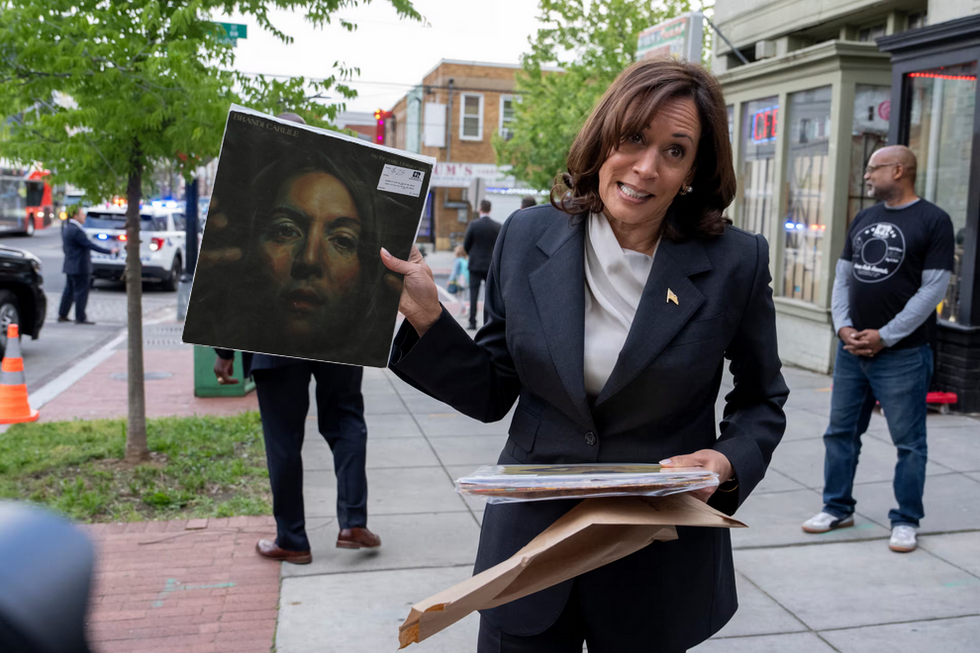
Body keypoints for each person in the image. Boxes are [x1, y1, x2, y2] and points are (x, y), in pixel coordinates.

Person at [381, 58, 788, 652]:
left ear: (694, 169)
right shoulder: (526, 236)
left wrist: (724, 462)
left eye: (674, 151)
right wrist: (427, 318)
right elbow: (494, 388)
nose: (646, 168)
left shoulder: (736, 263)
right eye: (633, 139)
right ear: (604, 139)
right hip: (528, 556)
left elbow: (762, 400)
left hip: (654, 563)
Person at [211, 113, 380, 565]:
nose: (309, 260)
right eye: (287, 231)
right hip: (318, 346)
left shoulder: (274, 184)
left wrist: (224, 353)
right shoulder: (257, 201)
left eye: (341, 239)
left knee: (284, 438)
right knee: (345, 421)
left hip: (296, 346)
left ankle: (293, 539)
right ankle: (352, 521)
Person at [802, 146, 954, 554]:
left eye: (874, 168)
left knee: (909, 443)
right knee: (840, 435)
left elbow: (933, 289)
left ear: (899, 170)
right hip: (852, 352)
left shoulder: (934, 220)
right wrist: (843, 326)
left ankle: (906, 520)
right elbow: (842, 277)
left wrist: (885, 335)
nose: (867, 175)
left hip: (902, 355)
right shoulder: (865, 218)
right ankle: (836, 507)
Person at [58, 206, 116, 325]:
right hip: (80, 267)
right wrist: (109, 251)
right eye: (82, 214)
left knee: (68, 291)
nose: (84, 216)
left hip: (70, 265)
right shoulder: (77, 231)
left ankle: (62, 314)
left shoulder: (68, 228)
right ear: (75, 216)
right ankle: (80, 317)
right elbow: (90, 245)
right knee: (81, 293)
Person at [463, 199, 501, 330]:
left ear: (480, 209)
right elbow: (499, 246)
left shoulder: (474, 225)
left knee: (473, 293)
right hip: (490, 265)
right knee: (489, 295)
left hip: (475, 264)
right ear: (490, 209)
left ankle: (472, 321)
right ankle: (487, 322)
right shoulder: (497, 226)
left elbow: (466, 244)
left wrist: (472, 255)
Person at [449, 244, 469, 316]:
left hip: (458, 280)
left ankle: (465, 308)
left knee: (458, 296)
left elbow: (454, 272)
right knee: (462, 296)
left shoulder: (457, 260)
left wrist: (450, 280)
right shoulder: (465, 259)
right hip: (465, 280)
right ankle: (462, 311)